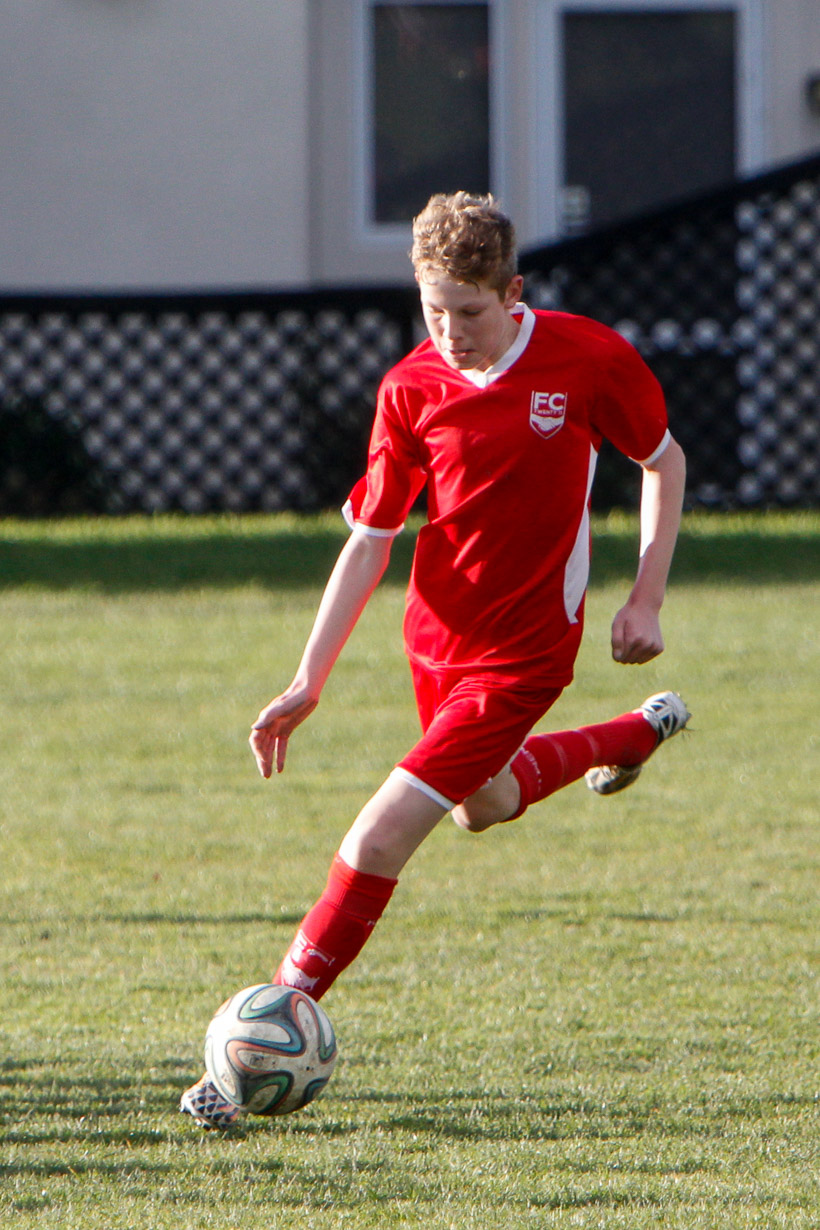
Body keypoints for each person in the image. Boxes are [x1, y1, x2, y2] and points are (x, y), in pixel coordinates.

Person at [181, 191, 689, 1129]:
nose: (450, 331)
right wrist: (307, 680)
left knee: (378, 838)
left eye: (469, 311)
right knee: (481, 805)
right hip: (436, 643)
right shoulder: (410, 388)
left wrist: (644, 596)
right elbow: (371, 540)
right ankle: (631, 736)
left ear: (514, 293)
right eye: (432, 310)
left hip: (527, 652)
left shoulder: (584, 359)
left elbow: (663, 460)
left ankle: (262, 1040)